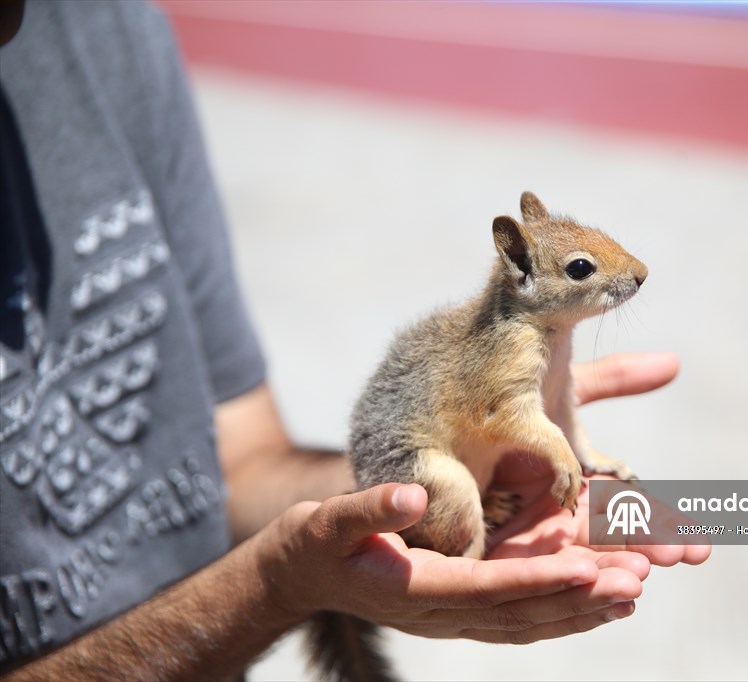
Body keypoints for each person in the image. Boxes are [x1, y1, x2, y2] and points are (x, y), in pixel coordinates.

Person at [0, 2, 708, 678]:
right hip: (429, 449)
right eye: (586, 272)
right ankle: (456, 543)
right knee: (457, 492)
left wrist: (580, 454)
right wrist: (280, 585)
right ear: (523, 271)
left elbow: (244, 461)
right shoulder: (510, 339)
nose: (630, 281)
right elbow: (504, 413)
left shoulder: (109, 35)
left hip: (387, 473)